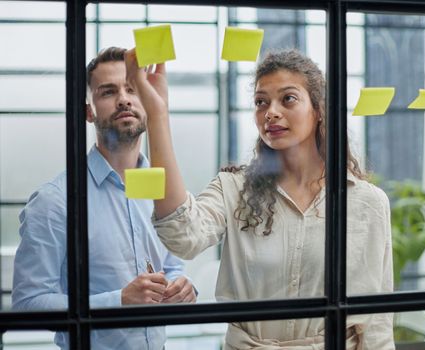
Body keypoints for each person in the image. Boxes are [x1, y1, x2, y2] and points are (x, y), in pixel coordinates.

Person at [124, 48, 394, 349]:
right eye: (260, 102)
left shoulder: (367, 202)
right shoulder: (234, 187)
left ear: (318, 109)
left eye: (288, 98)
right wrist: (158, 114)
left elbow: (377, 320)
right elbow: (182, 235)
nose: (271, 112)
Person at [12, 46, 196, 350]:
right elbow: (27, 303)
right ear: (88, 112)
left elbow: (172, 265)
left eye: (133, 89)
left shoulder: (163, 189)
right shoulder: (55, 202)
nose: (124, 98)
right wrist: (118, 301)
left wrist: (182, 288)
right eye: (108, 92)